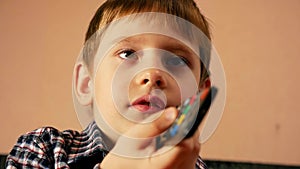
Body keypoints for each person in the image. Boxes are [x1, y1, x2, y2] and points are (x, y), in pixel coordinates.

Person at [6, 0, 212, 168]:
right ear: (87, 83)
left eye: (176, 60)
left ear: (200, 94)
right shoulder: (44, 148)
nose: (152, 74)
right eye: (127, 53)